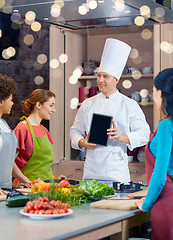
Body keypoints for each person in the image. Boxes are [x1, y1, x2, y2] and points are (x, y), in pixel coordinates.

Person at [70, 38, 150, 183]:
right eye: (99, 75)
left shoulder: (129, 105)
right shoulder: (87, 104)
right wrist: (83, 142)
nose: (100, 80)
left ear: (116, 80)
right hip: (91, 174)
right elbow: (74, 131)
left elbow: (144, 134)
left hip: (117, 174)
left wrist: (121, 136)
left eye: (105, 76)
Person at [136, 68, 173, 240]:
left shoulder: (167, 126)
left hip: (166, 202)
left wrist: (145, 204)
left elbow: (159, 178)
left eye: (154, 90)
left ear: (161, 93)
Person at [14, 89, 57, 181]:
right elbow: (9, 163)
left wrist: (55, 179)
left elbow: (43, 166)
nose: (54, 110)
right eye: (51, 106)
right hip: (29, 189)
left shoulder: (44, 130)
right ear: (38, 105)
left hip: (47, 186)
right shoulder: (22, 129)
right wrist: (29, 183)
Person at [0, 74, 30, 189]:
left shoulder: (4, 124)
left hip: (6, 192)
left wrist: (14, 186)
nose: (12, 103)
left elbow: (7, 160)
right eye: (11, 99)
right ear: (1, 100)